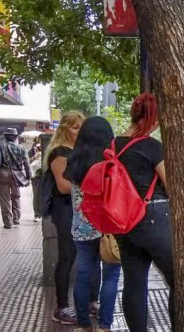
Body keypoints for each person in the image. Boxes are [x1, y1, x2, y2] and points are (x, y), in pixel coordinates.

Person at [115, 93, 173, 332]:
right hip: (154, 219)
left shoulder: (113, 145)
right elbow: (170, 184)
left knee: (134, 282)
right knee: (178, 281)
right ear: (151, 118)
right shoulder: (151, 146)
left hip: (124, 222)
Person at [65, 117, 122, 332]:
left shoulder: (74, 160)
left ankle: (83, 324)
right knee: (111, 276)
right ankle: (105, 326)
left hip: (82, 227)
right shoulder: (112, 160)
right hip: (109, 226)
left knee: (83, 275)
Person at [44, 111, 86, 325]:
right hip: (65, 208)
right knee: (67, 255)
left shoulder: (78, 151)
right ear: (64, 129)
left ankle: (85, 303)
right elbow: (63, 186)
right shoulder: (60, 152)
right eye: (74, 127)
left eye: (81, 127)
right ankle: (61, 306)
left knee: (81, 256)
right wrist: (90, 187)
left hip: (78, 207)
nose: (78, 131)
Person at [0, 128, 32, 229]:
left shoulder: (1, 146)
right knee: (16, 197)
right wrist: (28, 176)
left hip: (3, 174)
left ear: (5, 137)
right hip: (17, 176)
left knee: (5, 199)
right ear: (15, 137)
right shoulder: (21, 148)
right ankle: (16, 219)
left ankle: (8, 223)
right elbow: (26, 164)